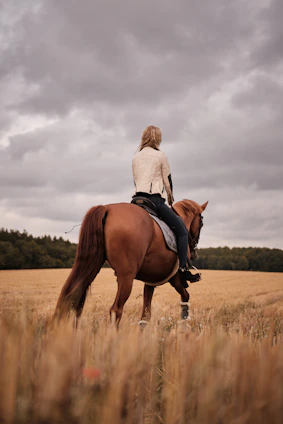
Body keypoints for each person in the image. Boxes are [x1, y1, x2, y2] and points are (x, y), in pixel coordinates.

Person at [132, 125, 192, 286]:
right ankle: (183, 270)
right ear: (157, 139)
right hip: (154, 200)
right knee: (181, 230)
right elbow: (167, 180)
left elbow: (136, 180)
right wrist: (171, 199)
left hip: (137, 200)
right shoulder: (161, 155)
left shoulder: (136, 157)